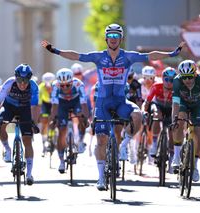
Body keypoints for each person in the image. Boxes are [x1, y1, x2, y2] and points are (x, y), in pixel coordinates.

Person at [41, 23, 184, 190]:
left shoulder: (128, 56)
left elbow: (150, 55)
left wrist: (172, 53)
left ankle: (124, 145)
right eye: (111, 36)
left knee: (138, 115)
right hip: (103, 102)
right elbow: (76, 56)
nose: (114, 39)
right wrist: (55, 50)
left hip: (120, 101)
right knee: (101, 139)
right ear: (106, 38)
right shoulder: (98, 57)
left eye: (117, 36)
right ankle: (101, 177)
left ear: (121, 39)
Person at [0, 63, 39, 185]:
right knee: (0, 124)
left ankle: (29, 174)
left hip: (25, 109)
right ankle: (7, 149)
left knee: (27, 140)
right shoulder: (9, 83)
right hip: (9, 107)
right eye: (20, 80)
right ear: (16, 78)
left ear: (30, 79)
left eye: (25, 80)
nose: (22, 84)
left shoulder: (33, 87)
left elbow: (35, 107)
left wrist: (34, 122)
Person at [171, 59, 200, 182]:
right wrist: (174, 119)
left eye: (190, 77)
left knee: (199, 135)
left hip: (198, 106)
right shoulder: (177, 81)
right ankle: (177, 156)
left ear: (195, 74)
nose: (187, 80)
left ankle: (195, 166)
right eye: (184, 77)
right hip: (183, 104)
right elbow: (176, 103)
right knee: (179, 122)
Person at [48, 68, 89, 173]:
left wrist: (86, 118)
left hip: (75, 102)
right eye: (62, 85)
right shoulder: (55, 85)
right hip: (61, 104)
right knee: (61, 130)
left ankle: (80, 141)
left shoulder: (79, 84)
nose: (65, 87)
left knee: (81, 116)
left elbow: (84, 103)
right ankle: (61, 161)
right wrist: (53, 119)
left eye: (68, 85)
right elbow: (55, 105)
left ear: (72, 82)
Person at [144, 67, 176, 160]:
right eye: (166, 79)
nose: (169, 82)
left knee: (172, 131)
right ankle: (154, 145)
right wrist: (145, 112)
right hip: (158, 105)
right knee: (157, 116)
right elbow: (148, 101)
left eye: (171, 80)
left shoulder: (177, 88)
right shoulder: (156, 86)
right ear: (162, 78)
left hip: (171, 108)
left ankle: (171, 156)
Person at [38, 72, 56, 155]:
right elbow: (39, 102)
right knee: (44, 122)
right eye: (46, 85)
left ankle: (52, 138)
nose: (48, 88)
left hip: (54, 103)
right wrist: (39, 114)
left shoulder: (56, 86)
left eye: (50, 86)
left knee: (52, 121)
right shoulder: (41, 87)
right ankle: (44, 142)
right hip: (45, 104)